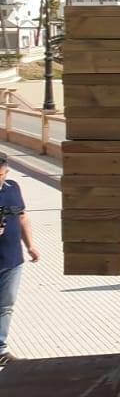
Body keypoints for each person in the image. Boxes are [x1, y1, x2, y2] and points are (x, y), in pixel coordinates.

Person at [0, 154, 40, 368]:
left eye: (2, 174)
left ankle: (0, 349)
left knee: (5, 305)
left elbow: (22, 216)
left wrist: (30, 245)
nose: (1, 178)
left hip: (12, 259)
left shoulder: (12, 188)